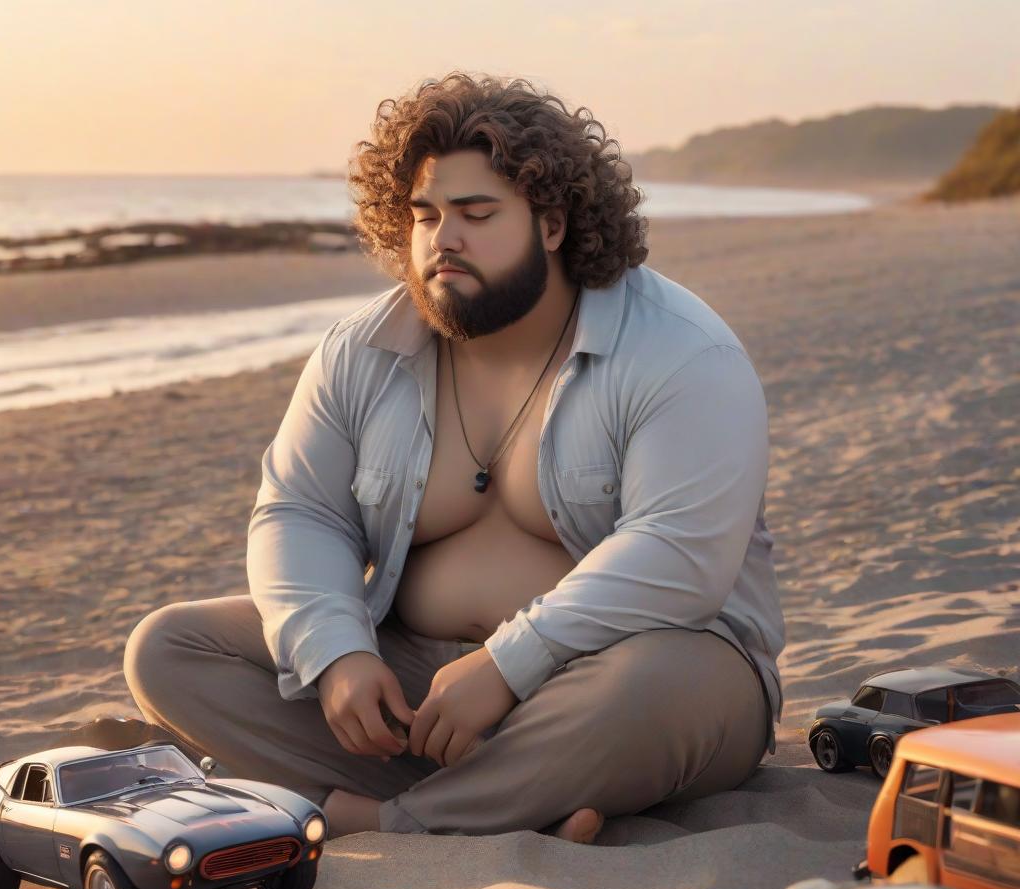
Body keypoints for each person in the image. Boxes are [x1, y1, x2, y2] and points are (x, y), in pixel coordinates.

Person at [123, 71, 786, 844]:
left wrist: (508, 667)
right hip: (425, 693)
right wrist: (337, 654)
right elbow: (298, 512)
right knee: (170, 648)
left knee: (646, 695)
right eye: (427, 215)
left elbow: (678, 558)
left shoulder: (680, 350)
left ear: (552, 223)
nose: (445, 238)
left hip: (631, 672)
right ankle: (517, 803)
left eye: (477, 213)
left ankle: (385, 820)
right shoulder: (362, 352)